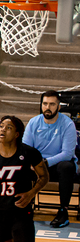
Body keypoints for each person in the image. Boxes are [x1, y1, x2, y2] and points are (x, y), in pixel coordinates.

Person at [23, 91, 78, 228]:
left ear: (59, 107)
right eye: (45, 104)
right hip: (38, 164)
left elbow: (67, 153)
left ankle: (63, 211)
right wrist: (33, 163)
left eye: (52, 104)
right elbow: (26, 148)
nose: (48, 107)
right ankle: (24, 206)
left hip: (57, 165)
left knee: (66, 167)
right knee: (21, 164)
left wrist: (45, 163)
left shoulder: (68, 124)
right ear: (41, 105)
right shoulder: (33, 122)